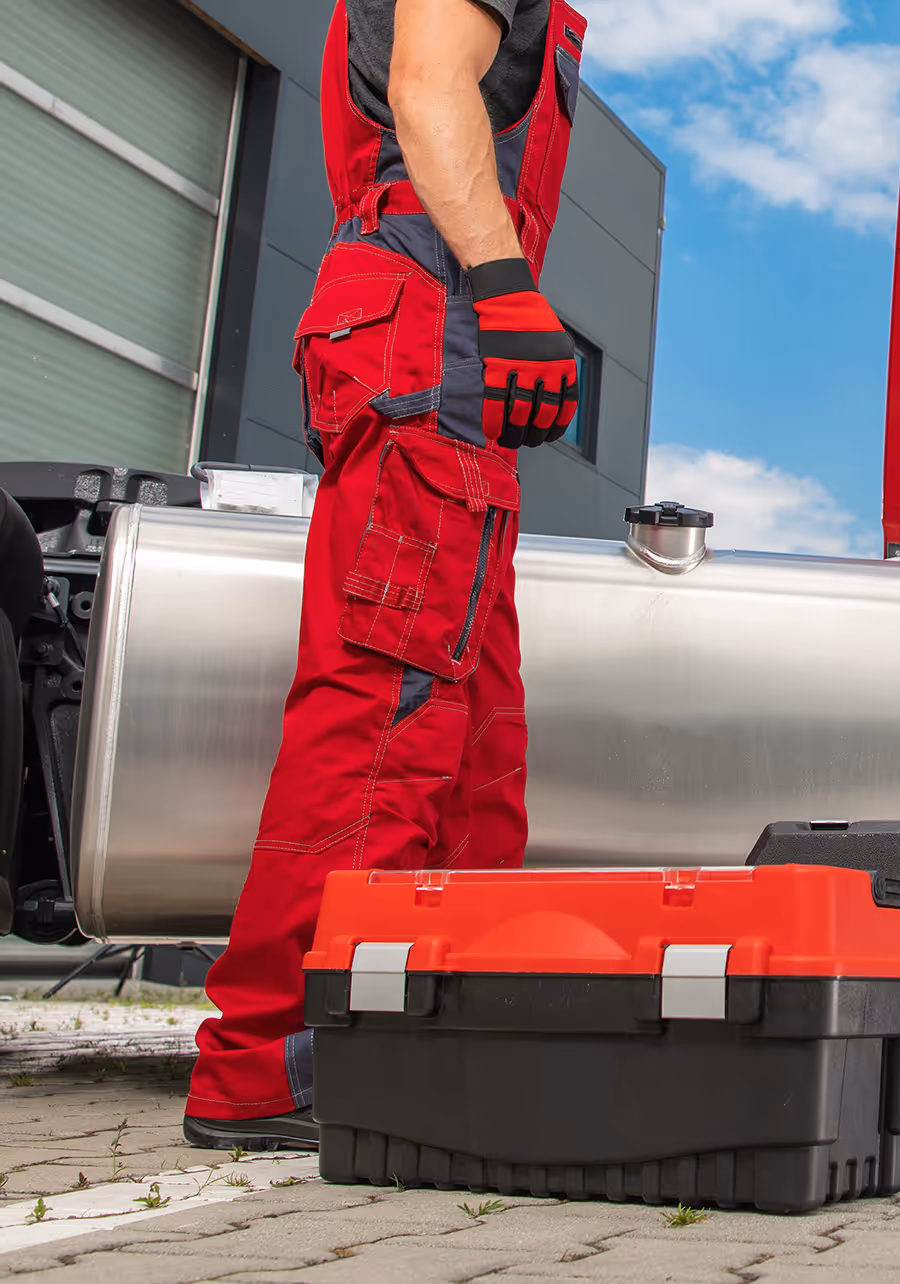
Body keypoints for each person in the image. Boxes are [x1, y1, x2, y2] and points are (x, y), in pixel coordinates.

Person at [182, 0, 588, 1150]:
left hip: (438, 330)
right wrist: (505, 283)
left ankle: (437, 1040)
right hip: (434, 314)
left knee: (472, 733)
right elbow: (425, 85)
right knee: (388, 705)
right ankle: (272, 1062)